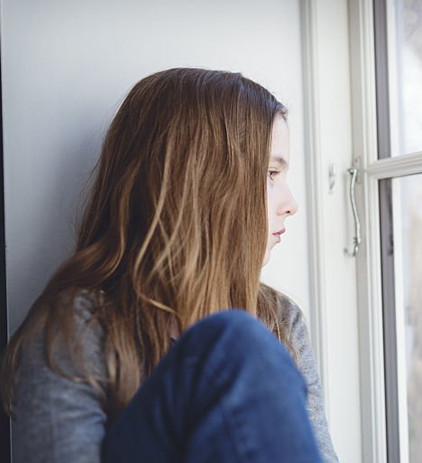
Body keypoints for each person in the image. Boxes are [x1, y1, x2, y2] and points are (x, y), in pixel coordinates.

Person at [0, 68, 339, 462]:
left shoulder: (281, 319)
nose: (291, 203)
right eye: (270, 175)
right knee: (235, 341)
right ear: (200, 184)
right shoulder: (80, 327)